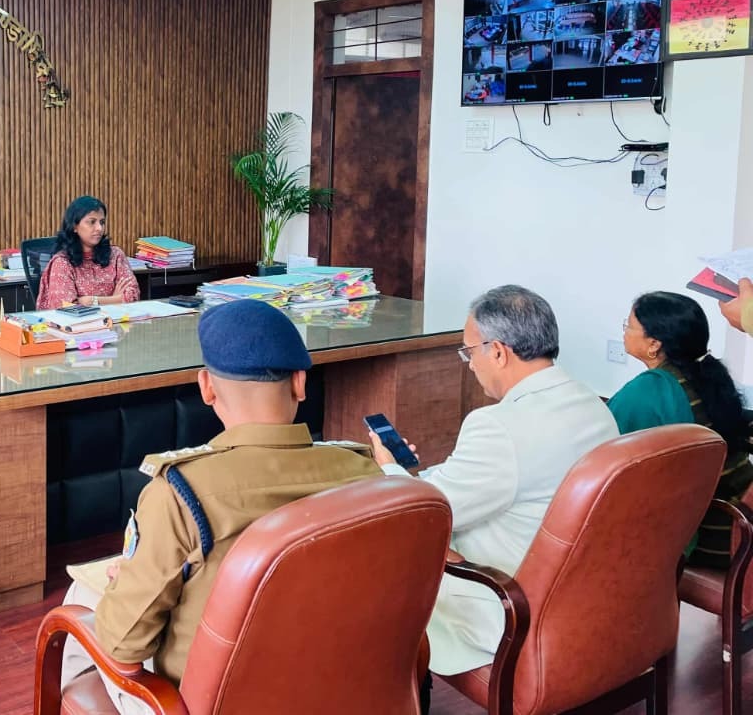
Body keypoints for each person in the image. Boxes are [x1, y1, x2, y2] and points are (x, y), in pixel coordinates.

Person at [59, 300, 380, 713]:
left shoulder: (181, 493)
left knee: (82, 599)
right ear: (300, 383)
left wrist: (129, 583)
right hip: (341, 687)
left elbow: (124, 647)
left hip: (206, 701)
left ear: (206, 387)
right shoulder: (365, 473)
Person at [368, 285, 618, 678]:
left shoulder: (498, 426)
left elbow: (427, 515)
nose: (469, 364)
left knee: (376, 558)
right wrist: (424, 475)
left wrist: (389, 468)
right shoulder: (592, 405)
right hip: (583, 594)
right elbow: (499, 479)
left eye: (469, 352)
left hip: (511, 601)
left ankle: (392, 689)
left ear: (498, 352)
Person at [609, 291, 753, 567]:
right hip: (739, 523)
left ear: (654, 344)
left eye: (629, 325)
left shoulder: (651, 390)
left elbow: (604, 453)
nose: (625, 332)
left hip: (713, 535)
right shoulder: (707, 377)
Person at [36, 194, 140, 309]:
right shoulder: (62, 263)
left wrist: (92, 301)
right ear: (74, 226)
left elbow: (133, 295)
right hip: (83, 322)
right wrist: (115, 300)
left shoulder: (115, 255)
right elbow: (67, 309)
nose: (99, 228)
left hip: (116, 319)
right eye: (92, 222)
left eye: (102, 222)